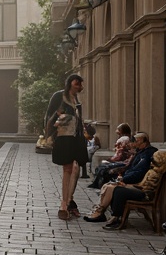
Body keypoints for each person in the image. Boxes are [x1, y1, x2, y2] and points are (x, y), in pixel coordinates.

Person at [84, 150, 166, 229]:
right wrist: (128, 185)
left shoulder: (156, 173)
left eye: (156, 158)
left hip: (145, 194)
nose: (152, 160)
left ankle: (114, 216)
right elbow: (142, 184)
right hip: (140, 189)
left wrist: (128, 186)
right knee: (111, 186)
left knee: (118, 190)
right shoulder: (152, 171)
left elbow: (147, 188)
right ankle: (101, 212)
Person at [83, 133, 158, 222]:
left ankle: (101, 213)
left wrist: (124, 179)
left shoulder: (147, 154)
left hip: (138, 186)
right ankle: (99, 212)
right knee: (107, 185)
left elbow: (139, 172)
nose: (133, 143)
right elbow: (132, 168)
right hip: (133, 182)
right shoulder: (141, 152)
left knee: (111, 187)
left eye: (136, 141)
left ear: (144, 142)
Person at [45, 74, 87, 219]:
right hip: (64, 137)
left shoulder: (77, 100)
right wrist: (50, 135)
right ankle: (65, 203)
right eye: (76, 84)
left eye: (80, 84)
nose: (79, 87)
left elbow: (79, 119)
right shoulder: (59, 96)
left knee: (76, 167)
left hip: (77, 137)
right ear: (69, 83)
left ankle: (69, 200)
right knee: (68, 168)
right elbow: (49, 115)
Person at [88, 122, 133, 188]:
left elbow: (119, 155)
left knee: (103, 167)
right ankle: (98, 183)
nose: (116, 131)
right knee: (102, 167)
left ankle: (98, 184)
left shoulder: (123, 139)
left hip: (123, 161)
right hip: (123, 160)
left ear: (121, 131)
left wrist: (110, 160)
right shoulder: (127, 138)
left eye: (118, 129)